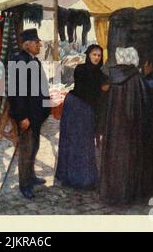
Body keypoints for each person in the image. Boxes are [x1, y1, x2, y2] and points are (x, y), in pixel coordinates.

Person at [99, 47, 153, 204]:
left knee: (116, 158)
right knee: (131, 159)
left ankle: (114, 193)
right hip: (132, 128)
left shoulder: (113, 77)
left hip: (115, 128)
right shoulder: (136, 78)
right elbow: (145, 102)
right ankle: (130, 194)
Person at [55, 44, 108, 190]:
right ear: (88, 55)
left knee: (84, 143)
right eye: (94, 55)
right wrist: (102, 88)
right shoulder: (81, 69)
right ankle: (74, 178)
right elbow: (87, 89)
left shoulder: (99, 73)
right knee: (74, 142)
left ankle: (84, 178)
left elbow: (103, 84)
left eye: (99, 55)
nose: (97, 58)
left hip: (86, 108)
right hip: (76, 107)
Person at [8, 28, 51, 199]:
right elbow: (16, 93)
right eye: (36, 42)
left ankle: (31, 176)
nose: (40, 45)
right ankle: (24, 184)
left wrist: (45, 109)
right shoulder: (18, 61)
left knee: (35, 147)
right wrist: (22, 117)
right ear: (27, 45)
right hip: (26, 115)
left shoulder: (34, 60)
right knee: (26, 149)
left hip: (36, 114)